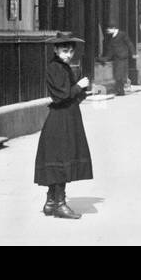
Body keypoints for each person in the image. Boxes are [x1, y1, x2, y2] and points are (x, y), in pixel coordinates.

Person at [34, 34, 93, 220]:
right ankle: (59, 204)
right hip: (61, 118)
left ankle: (51, 202)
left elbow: (70, 93)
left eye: (70, 51)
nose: (68, 55)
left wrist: (83, 89)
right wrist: (78, 86)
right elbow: (62, 95)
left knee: (60, 156)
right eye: (64, 51)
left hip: (68, 116)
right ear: (56, 50)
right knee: (62, 157)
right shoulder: (54, 67)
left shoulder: (62, 67)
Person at [105, 26, 133, 96]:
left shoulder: (122, 34)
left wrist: (133, 53)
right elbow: (111, 49)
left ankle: (121, 91)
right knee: (118, 75)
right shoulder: (112, 38)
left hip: (123, 57)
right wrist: (106, 58)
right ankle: (120, 91)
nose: (108, 31)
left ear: (114, 28)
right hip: (117, 58)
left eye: (109, 29)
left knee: (120, 75)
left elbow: (129, 43)